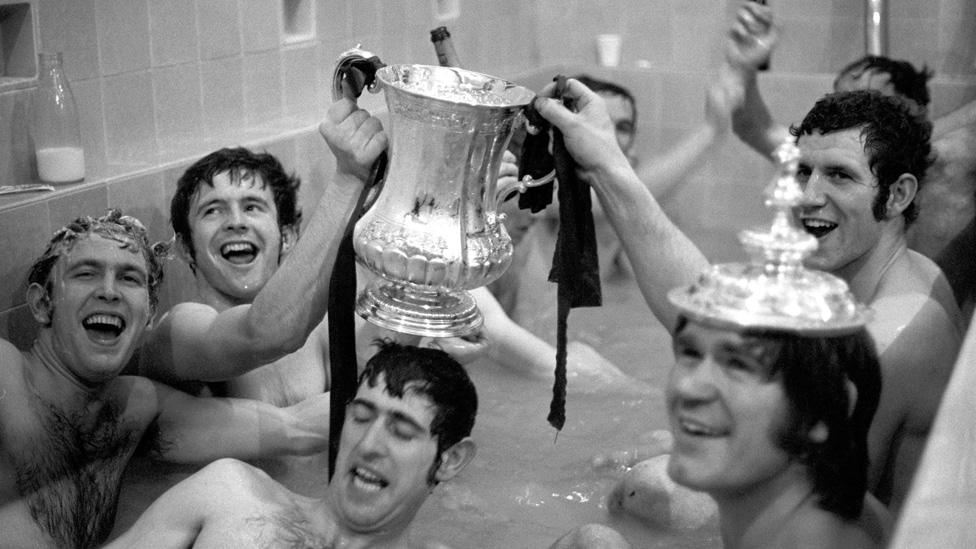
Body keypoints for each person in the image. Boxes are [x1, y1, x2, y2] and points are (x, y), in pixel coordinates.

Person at [532, 70, 962, 516]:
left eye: (839, 176)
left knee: (639, 496)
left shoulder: (890, 337)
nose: (808, 196)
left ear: (898, 195)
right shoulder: (888, 275)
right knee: (656, 449)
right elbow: (715, 309)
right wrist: (605, 164)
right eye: (802, 171)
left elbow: (806, 505)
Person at [0, 210, 335, 549]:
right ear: (43, 304)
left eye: (129, 278)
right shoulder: (7, 376)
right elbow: (265, 335)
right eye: (86, 274)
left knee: (237, 491)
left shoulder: (134, 409)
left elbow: (297, 429)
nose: (109, 291)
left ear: (148, 318)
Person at [725, 0, 976, 319]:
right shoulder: (824, 155)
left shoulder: (945, 159)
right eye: (840, 98)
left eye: (866, 101)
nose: (846, 114)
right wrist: (743, 68)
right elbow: (751, 125)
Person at [104, 340, 478, 549]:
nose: (368, 444)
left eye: (401, 430)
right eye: (361, 417)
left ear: (451, 460)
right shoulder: (229, 494)